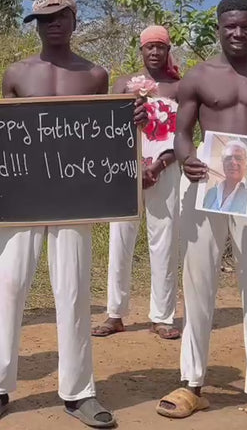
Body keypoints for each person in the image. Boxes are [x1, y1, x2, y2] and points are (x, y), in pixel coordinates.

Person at [0, 0, 144, 428]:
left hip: (73, 202)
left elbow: (104, 134)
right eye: (43, 20)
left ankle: (79, 391)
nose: (52, 25)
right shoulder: (16, 73)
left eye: (59, 17)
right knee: (7, 289)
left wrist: (129, 120)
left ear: (73, 19)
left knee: (73, 292)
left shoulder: (95, 75)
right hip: (20, 203)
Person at [156, 0, 247, 430]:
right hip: (206, 187)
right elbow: (182, 134)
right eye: (230, 27)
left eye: (246, 27)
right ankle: (192, 384)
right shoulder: (199, 76)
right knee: (198, 282)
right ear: (218, 28)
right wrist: (187, 160)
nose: (238, 33)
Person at [92, 24, 182, 341]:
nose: (155, 52)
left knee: (164, 240)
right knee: (120, 240)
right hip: (126, 168)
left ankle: (162, 315)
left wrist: (158, 165)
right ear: (140, 50)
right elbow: (107, 130)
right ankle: (115, 313)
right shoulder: (123, 84)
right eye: (149, 47)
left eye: (161, 47)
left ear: (168, 50)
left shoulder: (178, 88)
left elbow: (183, 135)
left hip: (166, 169)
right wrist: (132, 163)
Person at [201, 140, 247, 214]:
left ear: (246, 163)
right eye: (228, 158)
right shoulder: (211, 192)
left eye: (238, 158)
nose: (233, 162)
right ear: (223, 163)